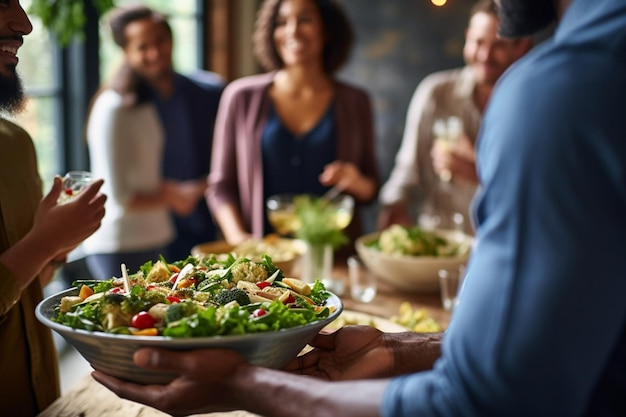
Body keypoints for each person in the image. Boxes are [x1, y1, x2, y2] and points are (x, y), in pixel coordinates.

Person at [92, 0, 626, 415]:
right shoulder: (578, 77)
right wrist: (396, 350)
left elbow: (486, 399)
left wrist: (243, 383)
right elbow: (559, 336)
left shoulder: (557, 90)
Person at [0, 3, 107, 416]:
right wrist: (45, 239)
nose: (24, 24)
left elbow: (28, 286)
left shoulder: (16, 144)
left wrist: (59, 244)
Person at [206, 0, 379, 249]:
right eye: (281, 22)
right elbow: (220, 187)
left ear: (327, 30)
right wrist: (238, 239)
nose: (292, 31)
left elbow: (370, 189)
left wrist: (355, 181)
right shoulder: (241, 97)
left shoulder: (355, 101)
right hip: (262, 261)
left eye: (305, 20)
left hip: (331, 259)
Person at [82, 5, 223, 279]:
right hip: (122, 242)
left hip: (160, 236)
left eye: (160, 41)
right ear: (126, 52)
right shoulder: (115, 106)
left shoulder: (145, 104)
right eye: (143, 46)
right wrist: (175, 195)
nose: (155, 52)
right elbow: (119, 194)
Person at [377, 0, 532, 234]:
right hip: (437, 243)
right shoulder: (435, 93)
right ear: (467, 37)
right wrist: (394, 204)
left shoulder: (529, 106)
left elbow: (534, 196)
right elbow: (408, 170)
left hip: (500, 243)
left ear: (521, 47)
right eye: (478, 42)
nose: (485, 55)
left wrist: (476, 171)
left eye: (498, 45)